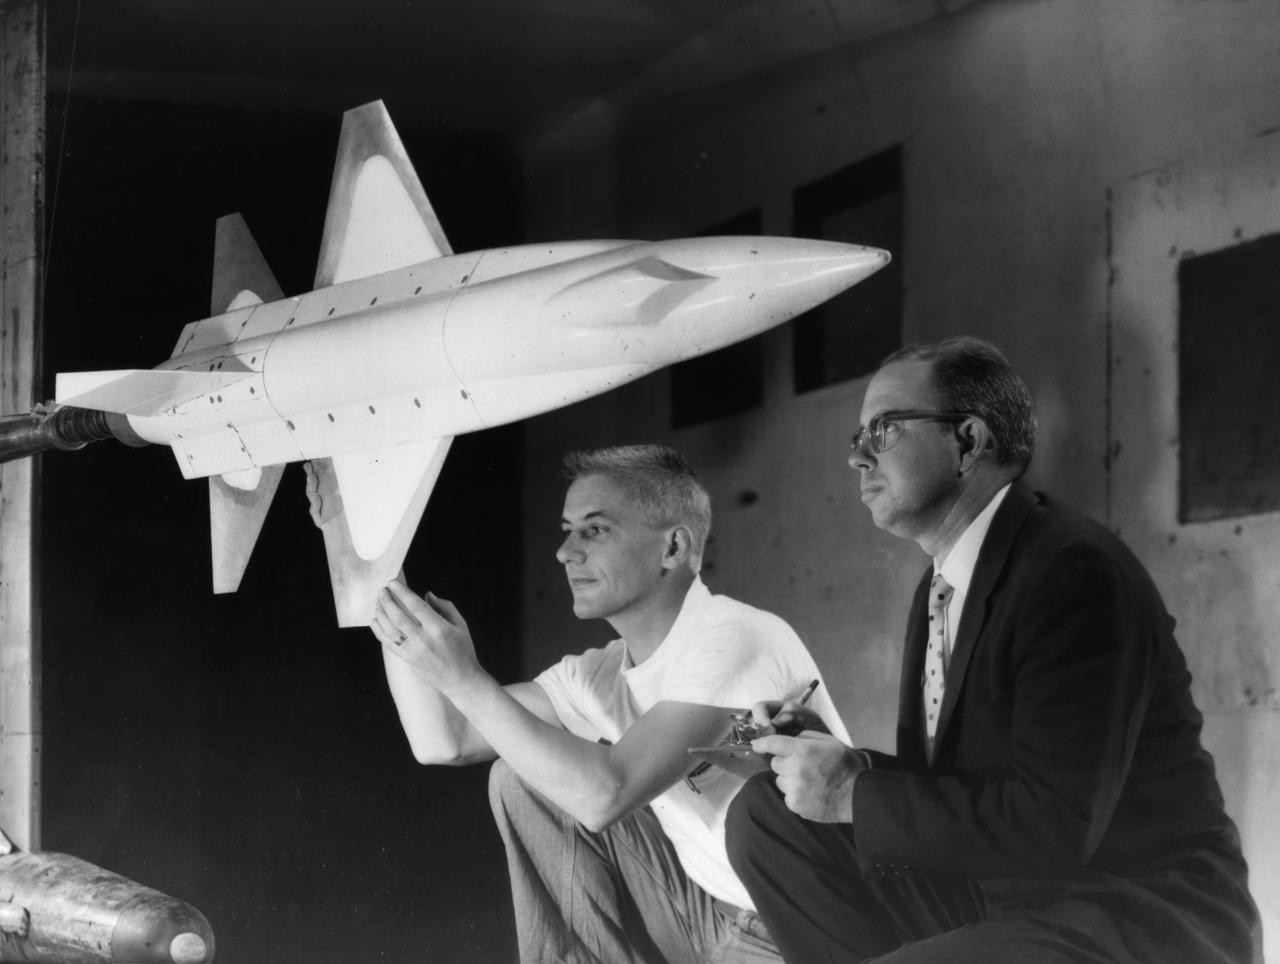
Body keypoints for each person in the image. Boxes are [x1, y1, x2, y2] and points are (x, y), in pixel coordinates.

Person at [724, 336, 1260, 963]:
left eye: (884, 429)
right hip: (1016, 895)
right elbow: (964, 787)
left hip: (1130, 910)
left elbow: (1055, 826)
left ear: (969, 442)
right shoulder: (945, 579)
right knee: (768, 816)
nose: (858, 459)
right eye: (858, 437)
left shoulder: (1070, 568)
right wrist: (843, 765)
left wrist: (853, 794)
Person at [362, 444, 849, 964]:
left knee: (573, 778)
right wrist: (377, 574)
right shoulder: (601, 669)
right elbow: (445, 740)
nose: (565, 552)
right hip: (706, 911)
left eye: (595, 529)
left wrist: (462, 675)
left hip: (798, 935)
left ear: (673, 547)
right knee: (522, 775)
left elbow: (605, 796)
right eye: (567, 530)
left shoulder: (735, 637)